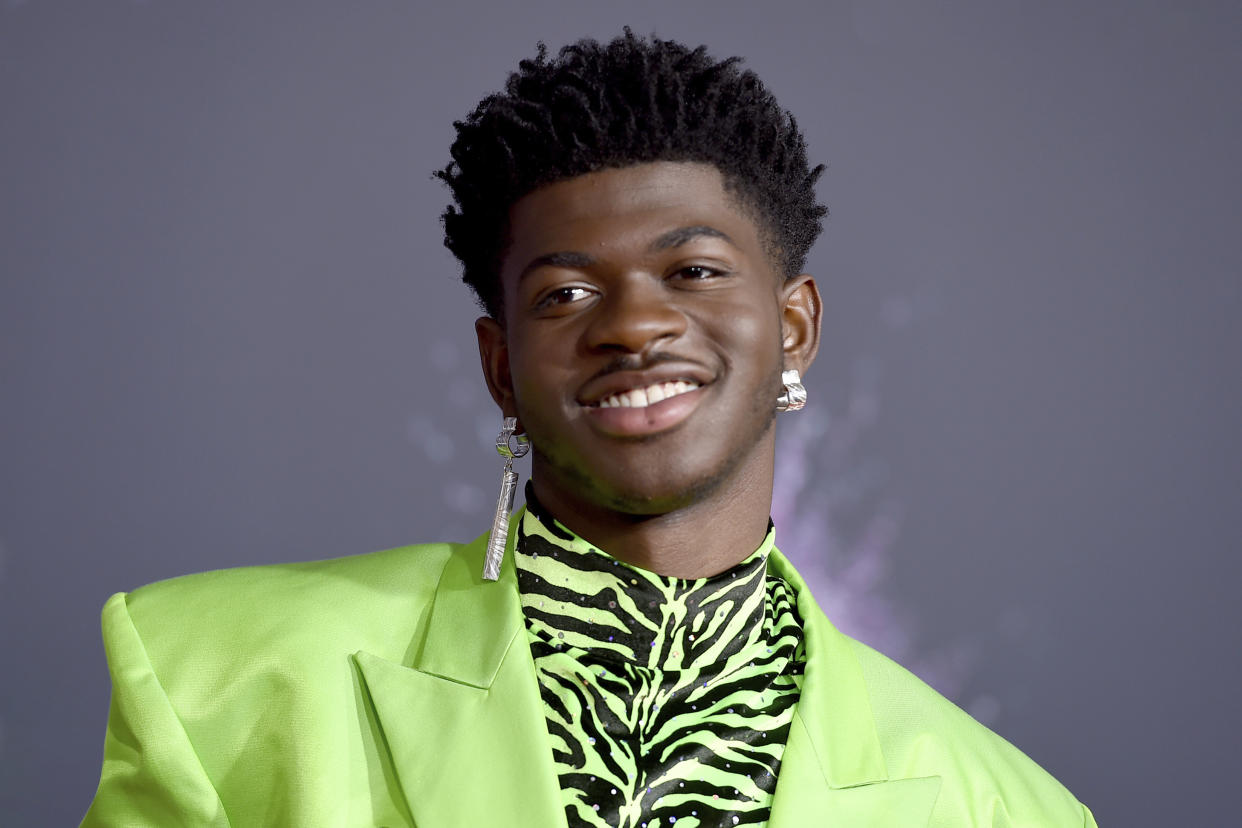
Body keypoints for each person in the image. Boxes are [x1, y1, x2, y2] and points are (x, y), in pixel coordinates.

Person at [82, 31, 1096, 827]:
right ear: (500, 369)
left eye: (693, 271)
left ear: (794, 326)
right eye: (565, 293)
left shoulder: (1002, 809)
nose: (632, 325)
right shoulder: (219, 679)